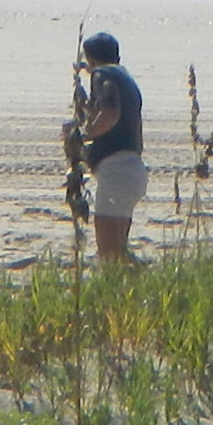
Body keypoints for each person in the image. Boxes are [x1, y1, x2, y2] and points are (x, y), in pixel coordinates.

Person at [67, 31, 146, 265]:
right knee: (119, 251)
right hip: (131, 170)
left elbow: (110, 113)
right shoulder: (125, 77)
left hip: (117, 172)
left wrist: (82, 136)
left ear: (90, 58)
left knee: (109, 252)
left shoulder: (104, 74)